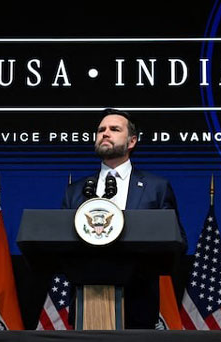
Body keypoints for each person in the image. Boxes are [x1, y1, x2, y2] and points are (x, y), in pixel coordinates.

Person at [62, 108, 185, 328]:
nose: (105, 133)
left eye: (114, 129)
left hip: (138, 304)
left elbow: (177, 241)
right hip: (86, 304)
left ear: (131, 142)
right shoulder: (76, 190)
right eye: (101, 130)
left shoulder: (155, 188)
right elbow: (60, 242)